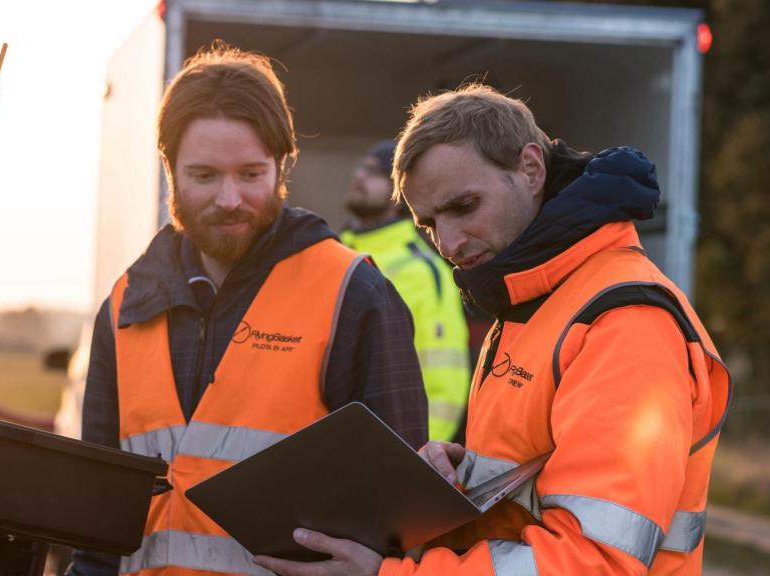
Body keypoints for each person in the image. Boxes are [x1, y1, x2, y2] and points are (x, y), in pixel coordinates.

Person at [253, 84, 731, 576]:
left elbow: (593, 562)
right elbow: (532, 490)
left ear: (530, 168)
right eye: (429, 225)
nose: (450, 244)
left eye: (464, 207)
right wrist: (461, 474)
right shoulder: (532, 298)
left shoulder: (624, 323)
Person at [66, 45, 427, 576]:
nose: (230, 198)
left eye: (251, 174)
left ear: (283, 164)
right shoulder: (123, 307)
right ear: (169, 169)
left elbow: (405, 521)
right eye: (205, 175)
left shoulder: (354, 293)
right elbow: (94, 529)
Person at [340, 140, 470, 442]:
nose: (359, 176)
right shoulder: (333, 253)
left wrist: (418, 456)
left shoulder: (424, 271)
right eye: (361, 167)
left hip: (390, 449)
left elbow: (444, 378)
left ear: (400, 191)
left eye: (374, 173)